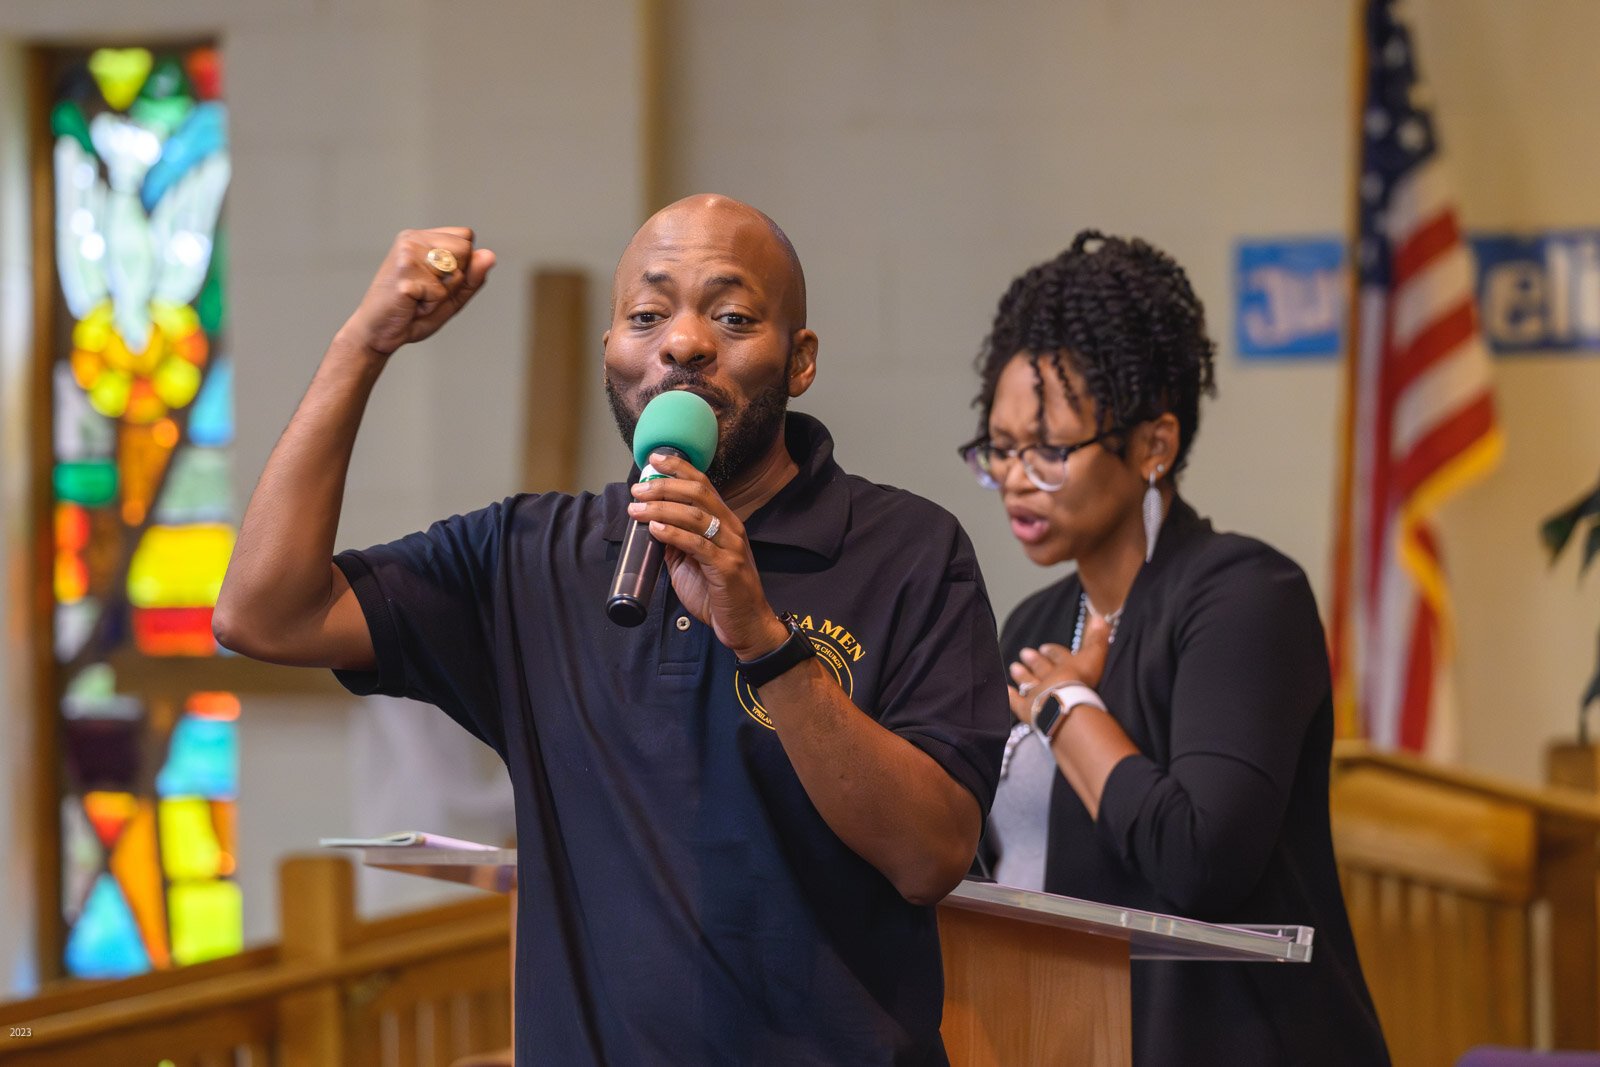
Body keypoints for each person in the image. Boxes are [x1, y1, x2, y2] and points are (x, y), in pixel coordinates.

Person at [213, 195, 1009, 1065]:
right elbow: (264, 613)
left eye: (733, 315)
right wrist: (362, 345)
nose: (684, 342)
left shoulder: (908, 549)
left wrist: (764, 641)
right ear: (612, 356)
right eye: (647, 314)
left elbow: (931, 854)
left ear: (802, 359)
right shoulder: (529, 556)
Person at [962, 231, 1390, 1065]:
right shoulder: (1033, 623)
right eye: (1003, 448)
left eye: (1049, 448)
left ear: (1154, 444)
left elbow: (1200, 861)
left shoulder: (1245, 598)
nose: (1017, 476)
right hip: (1055, 1038)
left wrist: (1067, 709)